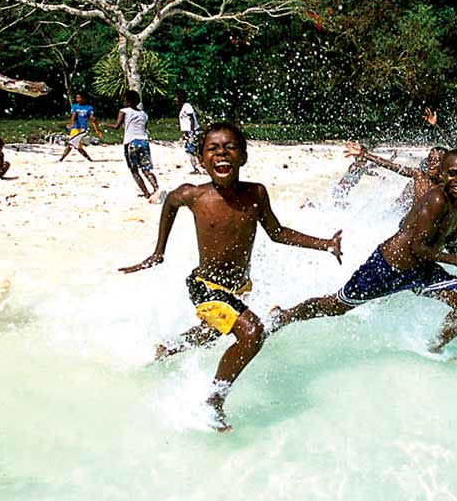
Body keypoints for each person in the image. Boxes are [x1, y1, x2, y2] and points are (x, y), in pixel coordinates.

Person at [118, 122, 343, 432]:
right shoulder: (194, 194)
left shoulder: (255, 193)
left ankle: (168, 348)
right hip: (205, 287)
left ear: (243, 157)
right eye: (212, 148)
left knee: (214, 332)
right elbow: (169, 202)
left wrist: (325, 244)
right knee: (252, 333)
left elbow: (277, 233)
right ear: (200, 158)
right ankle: (212, 401)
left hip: (238, 288)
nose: (221, 153)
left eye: (229, 147)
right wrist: (159, 252)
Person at [270, 149, 457, 356]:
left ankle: (434, 350)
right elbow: (417, 247)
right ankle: (284, 316)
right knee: (336, 306)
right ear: (442, 173)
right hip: (386, 267)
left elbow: (449, 241)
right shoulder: (436, 200)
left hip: (420, 270)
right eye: (452, 174)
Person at [345, 142, 447, 211]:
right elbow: (393, 166)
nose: (431, 164)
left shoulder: (449, 186)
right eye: (429, 160)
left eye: (436, 161)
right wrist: (364, 154)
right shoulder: (419, 176)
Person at [103, 90, 159, 200]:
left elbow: (116, 126)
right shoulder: (144, 114)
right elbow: (144, 128)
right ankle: (156, 189)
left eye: (124, 99)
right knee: (146, 170)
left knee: (134, 170)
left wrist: (103, 124)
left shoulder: (124, 111)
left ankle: (146, 193)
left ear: (128, 101)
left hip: (131, 142)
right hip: (144, 142)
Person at [57, 91, 104, 162]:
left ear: (84, 98)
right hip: (75, 128)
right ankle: (90, 160)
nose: (78, 99)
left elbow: (92, 120)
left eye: (79, 97)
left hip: (82, 129)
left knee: (71, 143)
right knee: (77, 146)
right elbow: (73, 116)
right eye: (77, 97)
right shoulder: (75, 106)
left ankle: (61, 159)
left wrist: (96, 130)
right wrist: (71, 123)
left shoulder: (89, 108)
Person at [176, 90, 202, 174]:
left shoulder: (187, 106)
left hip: (192, 131)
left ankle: (197, 168)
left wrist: (191, 132)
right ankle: (198, 166)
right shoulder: (184, 107)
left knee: (190, 150)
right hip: (189, 132)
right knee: (192, 149)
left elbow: (191, 119)